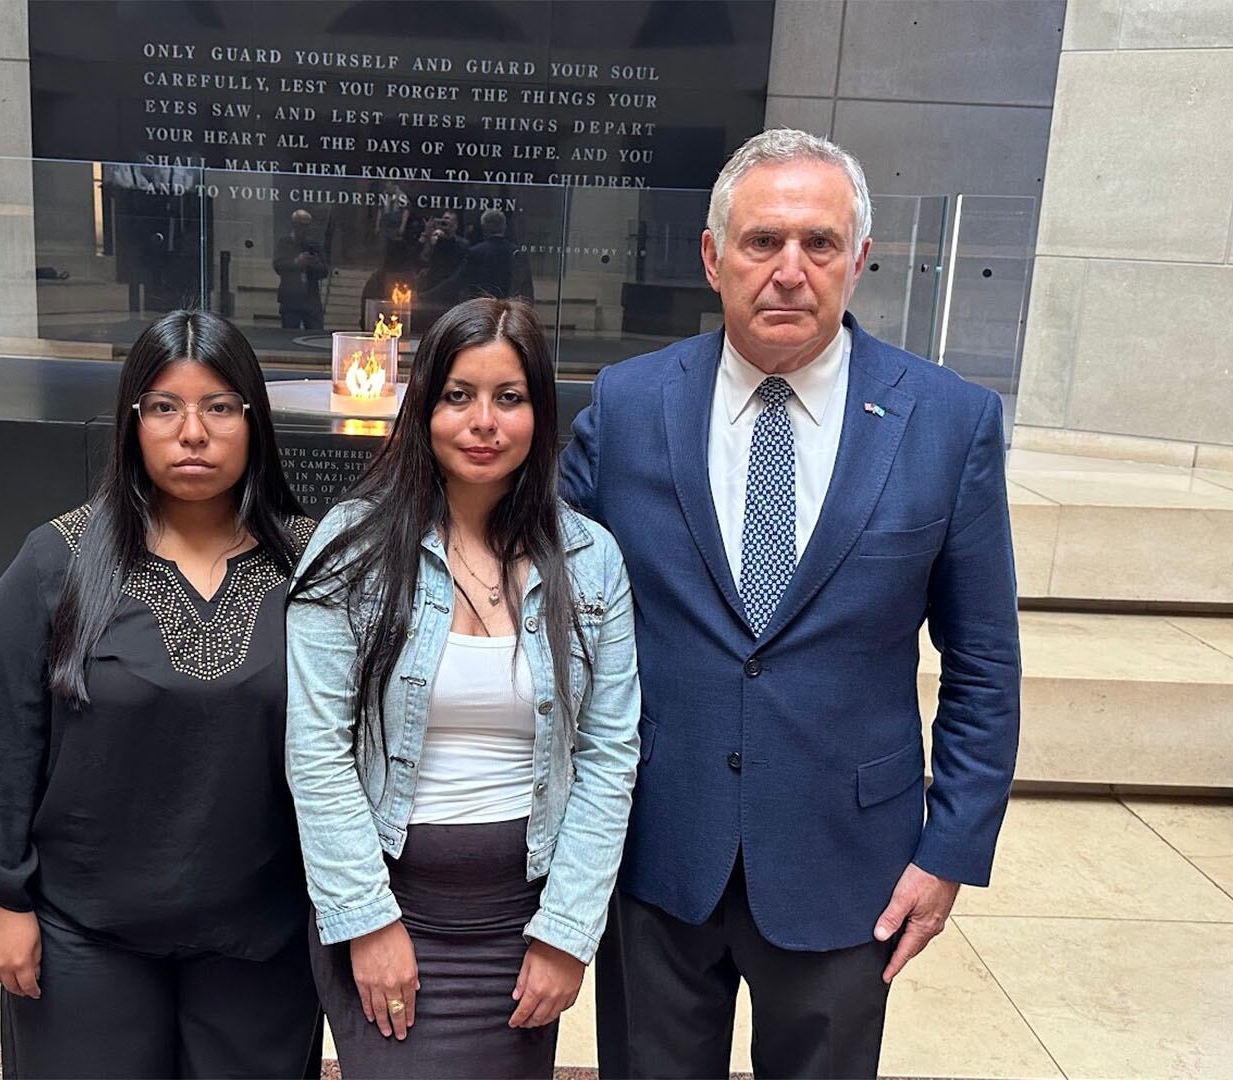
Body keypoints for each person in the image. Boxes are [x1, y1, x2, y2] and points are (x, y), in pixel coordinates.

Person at [563, 129, 1022, 1078]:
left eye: (818, 244)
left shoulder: (948, 423)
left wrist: (950, 851)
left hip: (848, 860)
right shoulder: (628, 403)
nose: (789, 271)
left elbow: (984, 662)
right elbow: (527, 575)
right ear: (712, 255)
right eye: (762, 241)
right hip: (657, 848)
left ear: (858, 259)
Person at [0, 309, 324, 1078]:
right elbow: (0, 742)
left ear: (254, 422)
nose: (193, 433)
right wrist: (3, 898)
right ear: (132, 423)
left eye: (219, 407)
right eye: (164, 407)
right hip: (85, 937)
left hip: (261, 940)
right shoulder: (59, 561)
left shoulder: (312, 564)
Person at [287, 297, 641, 1078]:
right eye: (458, 396)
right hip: (391, 914)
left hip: (524, 926)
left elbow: (610, 755)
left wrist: (565, 932)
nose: (484, 421)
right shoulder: (351, 547)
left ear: (540, 413)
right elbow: (316, 751)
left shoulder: (592, 561)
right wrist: (367, 921)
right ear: (424, 408)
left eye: (508, 398)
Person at [438, 209, 535, 301]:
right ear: (504, 226)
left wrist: (427, 295)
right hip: (509, 309)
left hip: (484, 309)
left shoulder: (476, 253)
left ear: (483, 227)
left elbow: (457, 281)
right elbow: (526, 288)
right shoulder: (516, 253)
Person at [274, 209, 329, 330]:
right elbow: (278, 266)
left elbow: (325, 271)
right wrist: (297, 262)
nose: (304, 229)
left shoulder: (314, 245)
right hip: (290, 298)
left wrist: (316, 264)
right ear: (294, 225)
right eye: (300, 225)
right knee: (288, 335)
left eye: (306, 225)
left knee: (315, 333)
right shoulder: (284, 243)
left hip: (311, 298)